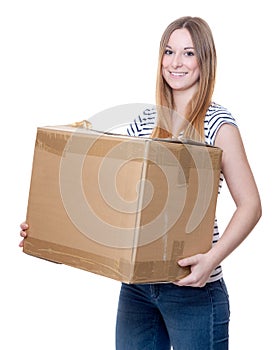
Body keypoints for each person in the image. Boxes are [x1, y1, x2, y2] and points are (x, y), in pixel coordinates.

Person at [20, 16, 262, 350]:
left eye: (188, 53)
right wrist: (54, 236)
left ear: (205, 61)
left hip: (192, 289)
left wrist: (211, 259)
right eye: (169, 51)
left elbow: (251, 204)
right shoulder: (145, 122)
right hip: (138, 288)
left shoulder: (218, 124)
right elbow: (116, 205)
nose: (176, 62)